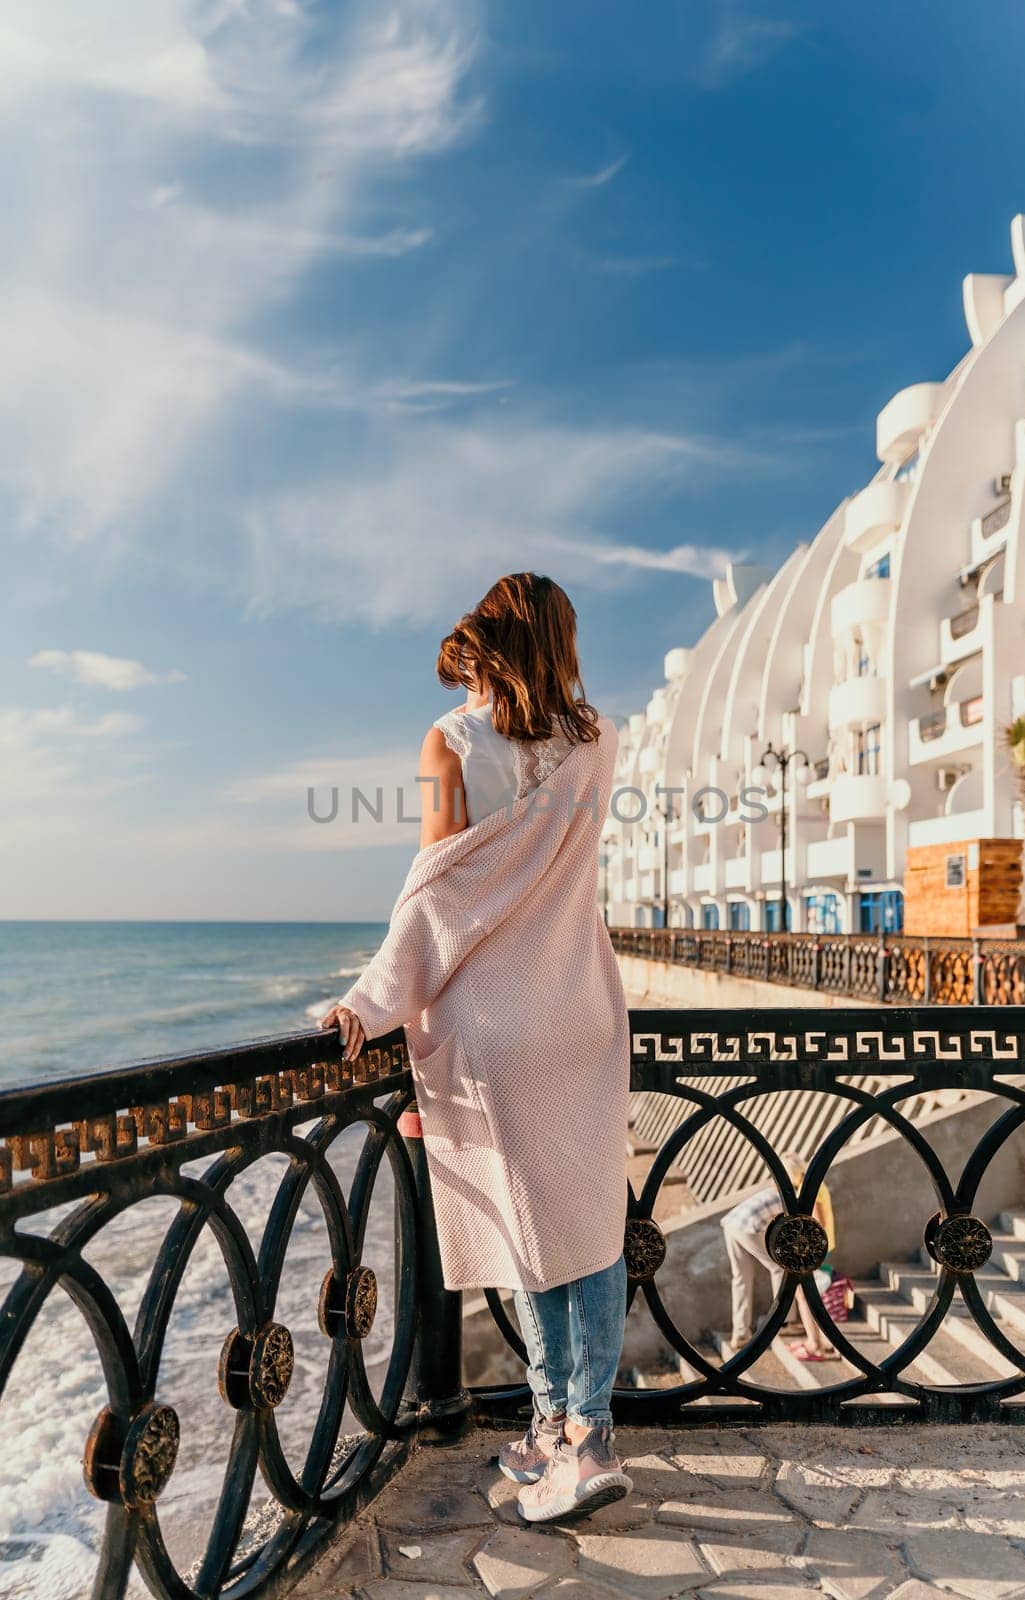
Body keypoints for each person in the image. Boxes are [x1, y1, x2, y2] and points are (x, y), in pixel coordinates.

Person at [321, 573, 633, 1524]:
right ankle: (573, 1430)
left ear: (485, 642)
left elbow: (439, 896)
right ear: (561, 642)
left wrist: (366, 1005)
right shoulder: (598, 739)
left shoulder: (450, 741)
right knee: (588, 1224)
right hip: (580, 1008)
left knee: (528, 1233)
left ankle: (571, 1436)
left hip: (494, 1026)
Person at [721, 1152, 838, 1361]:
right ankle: (786, 1321)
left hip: (732, 1223)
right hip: (746, 1228)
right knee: (780, 1268)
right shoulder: (794, 1195)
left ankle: (740, 1335)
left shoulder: (780, 1189)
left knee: (741, 1279)